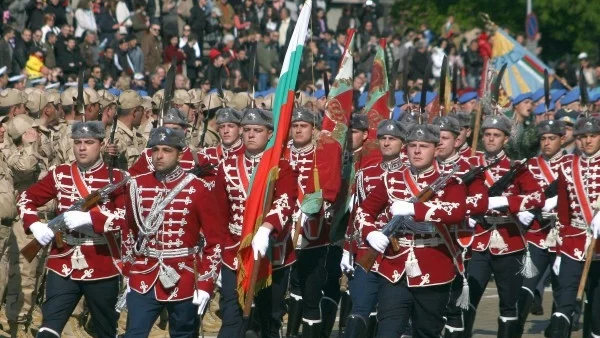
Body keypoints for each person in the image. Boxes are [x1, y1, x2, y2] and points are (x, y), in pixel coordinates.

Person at [17, 120, 126, 338]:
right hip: (63, 261)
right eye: (77, 143)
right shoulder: (60, 173)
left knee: (105, 331)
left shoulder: (118, 178)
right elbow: (26, 198)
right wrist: (35, 224)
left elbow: (125, 219)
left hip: (102, 263)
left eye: (89, 142)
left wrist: (89, 219)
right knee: (48, 328)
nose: (82, 148)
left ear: (102, 145)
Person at [356, 122, 467, 337]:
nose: (417, 151)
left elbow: (456, 211)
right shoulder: (391, 179)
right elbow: (364, 210)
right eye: (412, 145)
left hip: (433, 268)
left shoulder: (450, 181)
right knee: (387, 331)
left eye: (424, 146)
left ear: (436, 149)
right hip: (394, 267)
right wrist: (370, 232)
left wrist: (414, 208)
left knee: (426, 332)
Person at [120, 126, 230, 337]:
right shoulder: (137, 185)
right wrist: (128, 271)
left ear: (180, 153)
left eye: (167, 150)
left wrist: (207, 282)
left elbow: (214, 241)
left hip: (184, 275)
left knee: (183, 334)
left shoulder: (197, 188)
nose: (159, 156)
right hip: (144, 272)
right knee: (134, 333)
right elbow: (130, 232)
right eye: (155, 150)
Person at [216, 107, 298, 338]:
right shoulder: (227, 165)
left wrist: (266, 227)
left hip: (271, 252)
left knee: (269, 317)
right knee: (231, 315)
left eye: (257, 130)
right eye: (247, 130)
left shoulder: (281, 166)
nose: (251, 135)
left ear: (270, 134)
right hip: (236, 251)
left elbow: (285, 202)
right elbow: (219, 213)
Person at [464, 114, 544, 337]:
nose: (491, 139)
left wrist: (508, 202)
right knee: (468, 299)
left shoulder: (516, 167)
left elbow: (538, 197)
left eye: (496, 135)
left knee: (509, 303)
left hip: (510, 241)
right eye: (487, 134)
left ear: (506, 139)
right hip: (478, 239)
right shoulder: (470, 165)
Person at [342, 119, 406, 338]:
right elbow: (356, 214)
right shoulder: (365, 173)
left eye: (392, 139)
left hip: (398, 252)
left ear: (403, 143)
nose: (387, 143)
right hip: (367, 248)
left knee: (391, 314)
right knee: (359, 308)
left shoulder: (411, 174)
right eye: (383, 138)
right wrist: (347, 249)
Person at [284, 107, 341, 337]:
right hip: (285, 232)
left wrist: (312, 207)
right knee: (293, 287)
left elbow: (330, 188)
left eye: (303, 126)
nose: (298, 130)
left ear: (314, 129)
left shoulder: (323, 152)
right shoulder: (283, 152)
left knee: (311, 292)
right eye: (295, 126)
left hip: (314, 233)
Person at [434, 115, 489, 338]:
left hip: (455, 245)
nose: (438, 142)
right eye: (435, 137)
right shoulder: (424, 167)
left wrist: (455, 207)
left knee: (453, 308)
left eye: (444, 137)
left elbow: (480, 201)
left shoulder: (469, 168)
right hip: (424, 244)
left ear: (457, 140)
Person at [514, 119, 568, 337]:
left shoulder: (572, 163)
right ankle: (515, 327)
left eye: (552, 138)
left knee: (561, 287)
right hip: (536, 233)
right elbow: (518, 195)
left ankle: (557, 330)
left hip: (562, 235)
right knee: (526, 284)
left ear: (562, 139)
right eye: (543, 138)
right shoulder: (529, 165)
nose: (546, 143)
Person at [549, 115, 600, 337]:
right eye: (582, 137)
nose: (588, 141)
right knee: (565, 301)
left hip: (599, 246)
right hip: (573, 242)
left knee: (597, 311)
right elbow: (563, 212)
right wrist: (560, 251)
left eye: (593, 136)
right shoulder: (567, 166)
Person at [129, 108, 196, 175]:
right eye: (166, 129)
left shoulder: (194, 156)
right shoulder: (148, 155)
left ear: (184, 130)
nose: (169, 132)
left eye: (175, 129)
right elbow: (132, 178)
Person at [196, 107, 245, 177]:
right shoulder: (206, 154)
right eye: (222, 127)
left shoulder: (249, 154)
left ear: (240, 129)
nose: (225, 131)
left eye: (230, 126)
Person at [105, 90, 145, 169]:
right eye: (142, 110)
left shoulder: (137, 135)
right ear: (134, 112)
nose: (143, 113)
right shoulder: (114, 136)